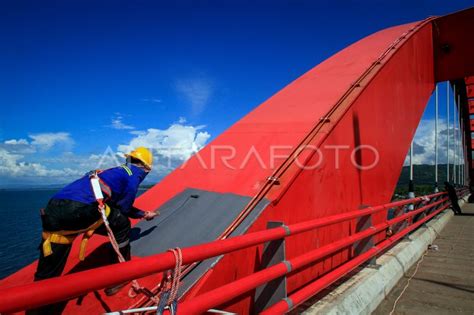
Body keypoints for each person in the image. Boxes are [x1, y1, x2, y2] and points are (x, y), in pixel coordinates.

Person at [34, 147, 158, 295]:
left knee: (50, 265)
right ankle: (123, 274)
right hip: (80, 209)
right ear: (145, 167)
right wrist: (143, 214)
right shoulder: (133, 176)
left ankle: (38, 297)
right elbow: (124, 208)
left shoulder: (110, 172)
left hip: (53, 208)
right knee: (122, 223)